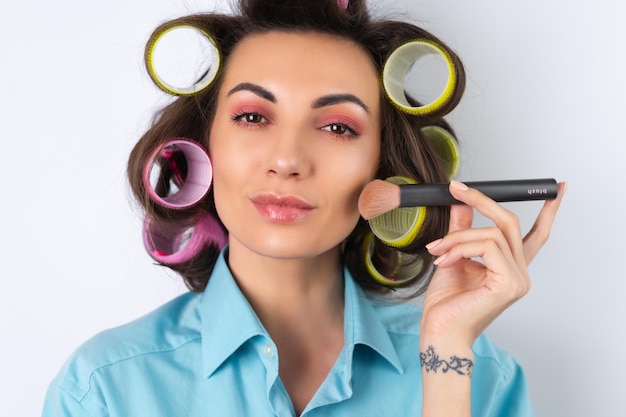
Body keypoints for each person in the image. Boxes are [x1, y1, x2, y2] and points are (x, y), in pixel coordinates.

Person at [42, 0, 565, 416]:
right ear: (204, 144)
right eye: (252, 117)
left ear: (384, 168)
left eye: (338, 127)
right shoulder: (104, 389)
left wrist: (446, 360)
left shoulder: (479, 375)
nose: (288, 160)